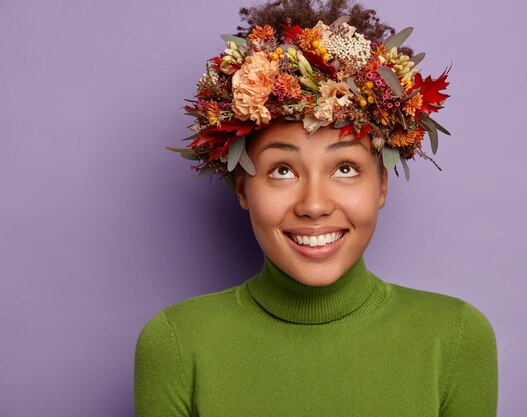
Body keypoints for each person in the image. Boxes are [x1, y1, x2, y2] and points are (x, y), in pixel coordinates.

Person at [134, 1, 498, 416]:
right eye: (282, 170)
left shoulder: (454, 337)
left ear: (381, 185)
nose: (314, 205)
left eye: (345, 168)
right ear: (242, 188)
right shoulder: (177, 344)